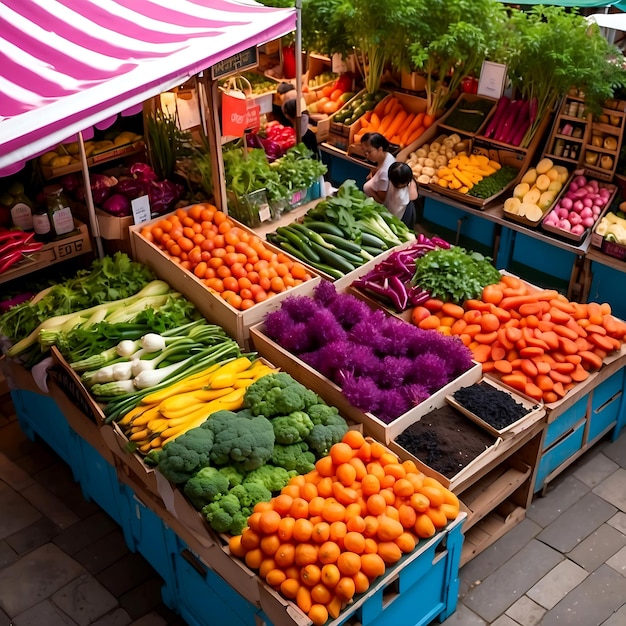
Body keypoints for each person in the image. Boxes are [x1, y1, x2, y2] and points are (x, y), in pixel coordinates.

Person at [361, 132, 396, 204]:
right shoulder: (386, 156)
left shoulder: (384, 173)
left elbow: (381, 201)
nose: (366, 155)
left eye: (369, 151)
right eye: (364, 152)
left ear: (380, 149)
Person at [385, 161, 418, 230]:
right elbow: (414, 196)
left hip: (391, 211)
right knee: (406, 227)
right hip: (402, 216)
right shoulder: (401, 196)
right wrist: (412, 181)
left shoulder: (391, 182)